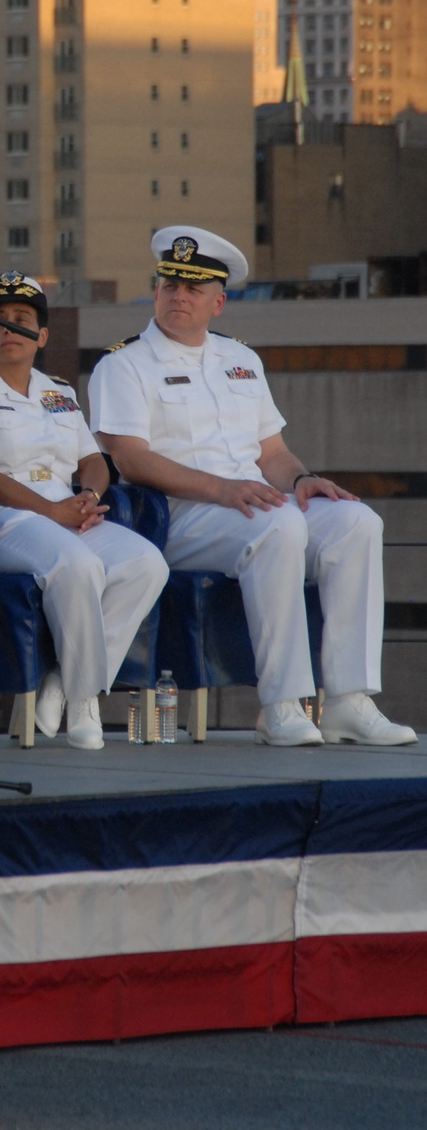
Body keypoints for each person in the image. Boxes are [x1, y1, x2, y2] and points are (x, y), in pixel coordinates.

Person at [90, 225, 416, 747]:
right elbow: (132, 460)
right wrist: (221, 489)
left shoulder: (241, 360)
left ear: (218, 302)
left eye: (193, 289)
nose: (179, 296)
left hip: (252, 504)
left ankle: (348, 700)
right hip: (179, 515)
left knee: (357, 522)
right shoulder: (123, 364)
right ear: (156, 291)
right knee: (279, 524)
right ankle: (281, 704)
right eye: (170, 285)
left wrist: (305, 479)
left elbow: (272, 455)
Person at [0, 271, 169, 749]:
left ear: (42, 336)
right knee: (78, 564)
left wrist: (87, 498)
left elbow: (93, 460)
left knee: (146, 563)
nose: (9, 329)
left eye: (22, 320)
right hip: (7, 521)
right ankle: (85, 703)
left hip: (68, 513)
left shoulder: (60, 393)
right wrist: (54, 512)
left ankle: (62, 683)